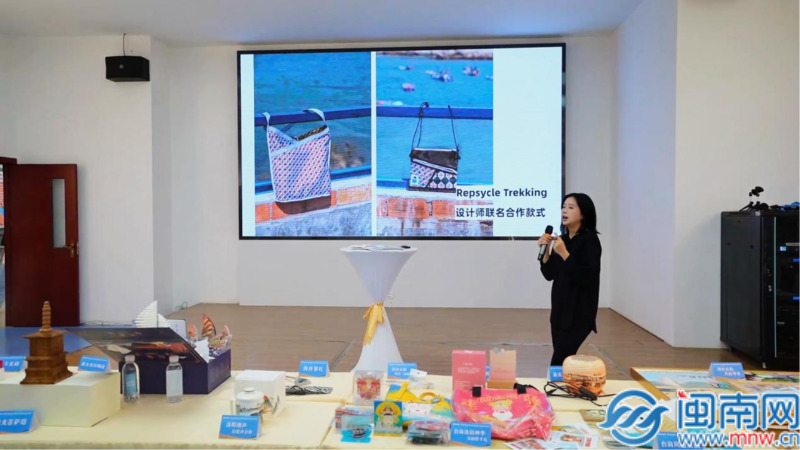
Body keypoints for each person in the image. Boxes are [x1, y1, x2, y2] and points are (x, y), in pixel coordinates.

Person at [538, 193, 601, 366]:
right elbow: (549, 274)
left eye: (571, 207)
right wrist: (546, 251)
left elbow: (586, 278)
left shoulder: (590, 240)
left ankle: (555, 382)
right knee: (563, 359)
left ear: (583, 214)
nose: (564, 211)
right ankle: (563, 382)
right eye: (563, 207)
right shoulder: (563, 240)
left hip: (579, 313)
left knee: (558, 361)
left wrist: (564, 253)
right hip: (560, 310)